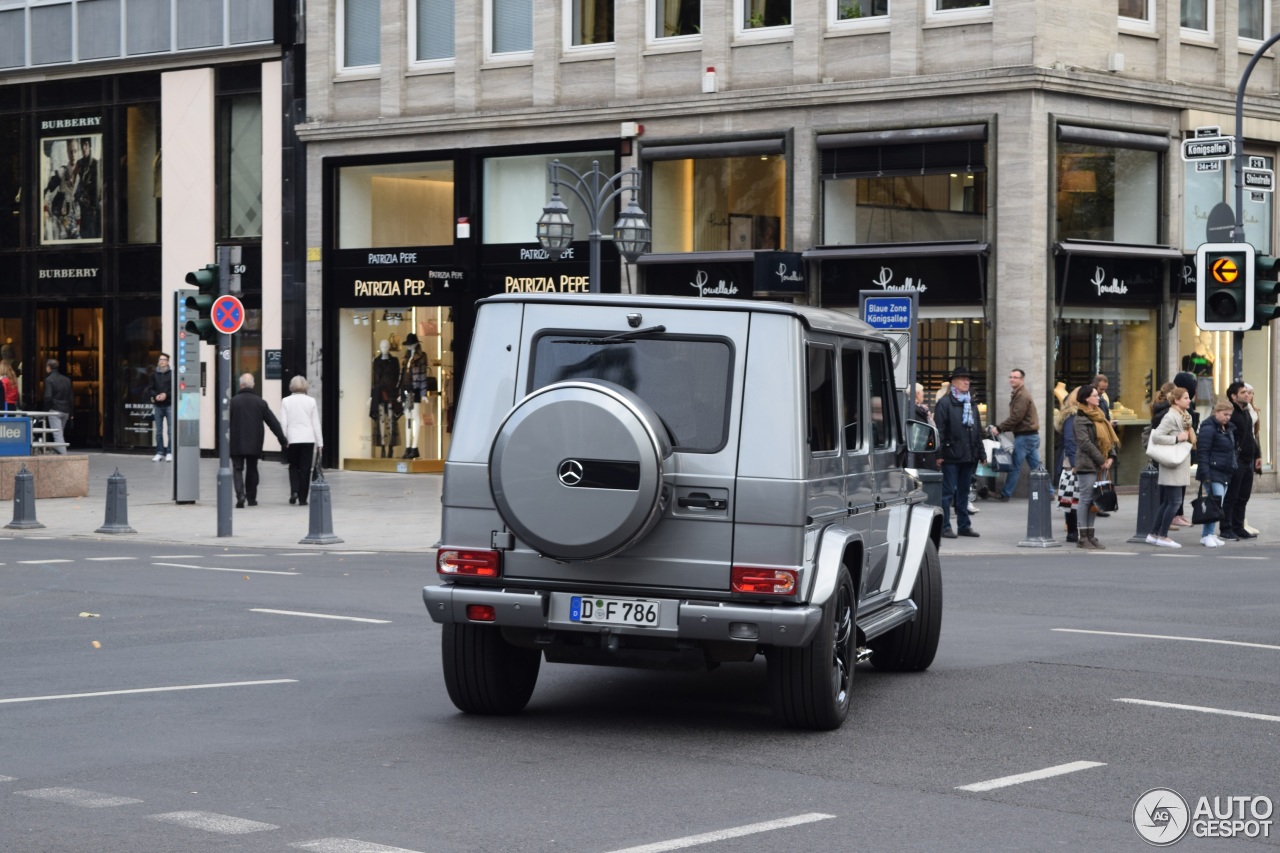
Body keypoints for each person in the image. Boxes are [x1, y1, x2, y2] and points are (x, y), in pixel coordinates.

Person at [934, 366, 985, 539]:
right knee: (948, 492)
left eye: (968, 379)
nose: (966, 382)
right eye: (963, 379)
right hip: (950, 455)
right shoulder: (944, 403)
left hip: (968, 455)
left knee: (964, 492)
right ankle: (944, 526)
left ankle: (964, 526)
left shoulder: (971, 403)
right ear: (953, 382)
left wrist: (981, 453)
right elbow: (939, 430)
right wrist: (938, 454)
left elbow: (977, 430)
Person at [1146, 386, 1195, 548]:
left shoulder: (1184, 415)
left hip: (1179, 462)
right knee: (1174, 502)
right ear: (1176, 400)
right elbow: (1157, 436)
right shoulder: (1170, 416)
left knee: (1168, 502)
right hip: (1172, 463)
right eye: (1186, 398)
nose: (1189, 400)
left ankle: (1154, 534)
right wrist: (1176, 438)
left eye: (1189, 398)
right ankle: (1163, 536)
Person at [229, 373, 287, 509]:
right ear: (253, 385)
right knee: (252, 468)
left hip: (236, 442)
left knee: (237, 469)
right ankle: (252, 498)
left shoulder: (233, 402)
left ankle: (240, 495)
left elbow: (224, 423)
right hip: (255, 442)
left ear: (241, 385)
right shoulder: (260, 402)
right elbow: (273, 422)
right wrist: (283, 440)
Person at [1073, 384, 1118, 550]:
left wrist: (1111, 457)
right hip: (1087, 464)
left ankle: (1091, 536)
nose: (1098, 397)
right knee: (1085, 499)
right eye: (1094, 395)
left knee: (1094, 500)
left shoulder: (1100, 415)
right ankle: (1082, 536)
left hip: (1101, 463)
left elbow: (1108, 437)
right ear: (1086, 398)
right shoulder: (1080, 418)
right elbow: (1085, 443)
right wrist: (1101, 460)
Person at [990, 368, 1041, 501]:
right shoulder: (1019, 393)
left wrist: (1000, 428)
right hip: (1031, 436)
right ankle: (1049, 491)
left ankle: (1005, 494)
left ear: (1022, 380)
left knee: (1014, 466)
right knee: (1037, 468)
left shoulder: (1022, 395)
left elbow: (1016, 417)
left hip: (1025, 436)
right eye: (1010, 377)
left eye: (1015, 377)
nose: (1012, 379)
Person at [1220, 381, 1260, 541]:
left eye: (1247, 392)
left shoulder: (1245, 412)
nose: (1247, 394)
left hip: (1248, 460)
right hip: (1236, 461)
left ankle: (1238, 526)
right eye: (1243, 392)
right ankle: (1226, 528)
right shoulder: (1231, 414)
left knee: (1243, 496)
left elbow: (1251, 436)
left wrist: (1257, 455)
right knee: (1232, 496)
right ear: (1234, 396)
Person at [1196, 399, 1238, 547]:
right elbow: (1203, 453)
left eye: (1229, 415)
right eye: (1225, 414)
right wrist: (1205, 475)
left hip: (1224, 471)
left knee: (1217, 504)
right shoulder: (1209, 428)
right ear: (1216, 412)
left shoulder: (1226, 428)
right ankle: (1206, 535)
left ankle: (1209, 534)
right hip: (1213, 471)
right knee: (1215, 504)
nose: (1227, 417)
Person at [280, 374, 324, 506]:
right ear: (305, 386)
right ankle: (303, 498)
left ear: (291, 387)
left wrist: (284, 439)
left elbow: (284, 422)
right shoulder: (311, 401)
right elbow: (316, 423)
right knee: (305, 468)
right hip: (308, 438)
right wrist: (320, 443)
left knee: (293, 466)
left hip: (292, 438)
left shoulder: (286, 401)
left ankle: (294, 491)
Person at [1056, 386, 1084, 543]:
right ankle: (1072, 531)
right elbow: (1069, 440)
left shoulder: (1082, 415)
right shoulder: (1072, 417)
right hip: (1072, 462)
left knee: (1075, 497)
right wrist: (1074, 463)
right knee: (1071, 497)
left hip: (1078, 460)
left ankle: (1076, 530)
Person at [42, 358, 73, 453]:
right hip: (65, 411)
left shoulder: (49, 380)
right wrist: (71, 412)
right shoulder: (66, 380)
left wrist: (45, 411)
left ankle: (64, 459)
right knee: (59, 434)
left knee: (58, 436)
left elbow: (48, 397)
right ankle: (58, 454)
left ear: (49, 367)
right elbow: (71, 397)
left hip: (54, 410)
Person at [148, 353, 173, 461]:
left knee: (170, 431)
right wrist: (155, 395)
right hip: (158, 406)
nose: (162, 361)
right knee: (158, 431)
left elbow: (175, 388)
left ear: (168, 362)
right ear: (158, 361)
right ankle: (159, 452)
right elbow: (150, 388)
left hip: (169, 405)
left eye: (164, 359)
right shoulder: (154, 374)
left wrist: (166, 395)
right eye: (160, 359)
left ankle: (170, 452)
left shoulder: (172, 374)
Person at [74, 137, 100, 239]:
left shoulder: (95, 163)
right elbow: (73, 182)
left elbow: (97, 188)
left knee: (91, 234)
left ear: (90, 146)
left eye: (86, 145)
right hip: (81, 207)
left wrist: (93, 207)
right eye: (82, 145)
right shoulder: (79, 163)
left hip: (91, 208)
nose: (84, 148)